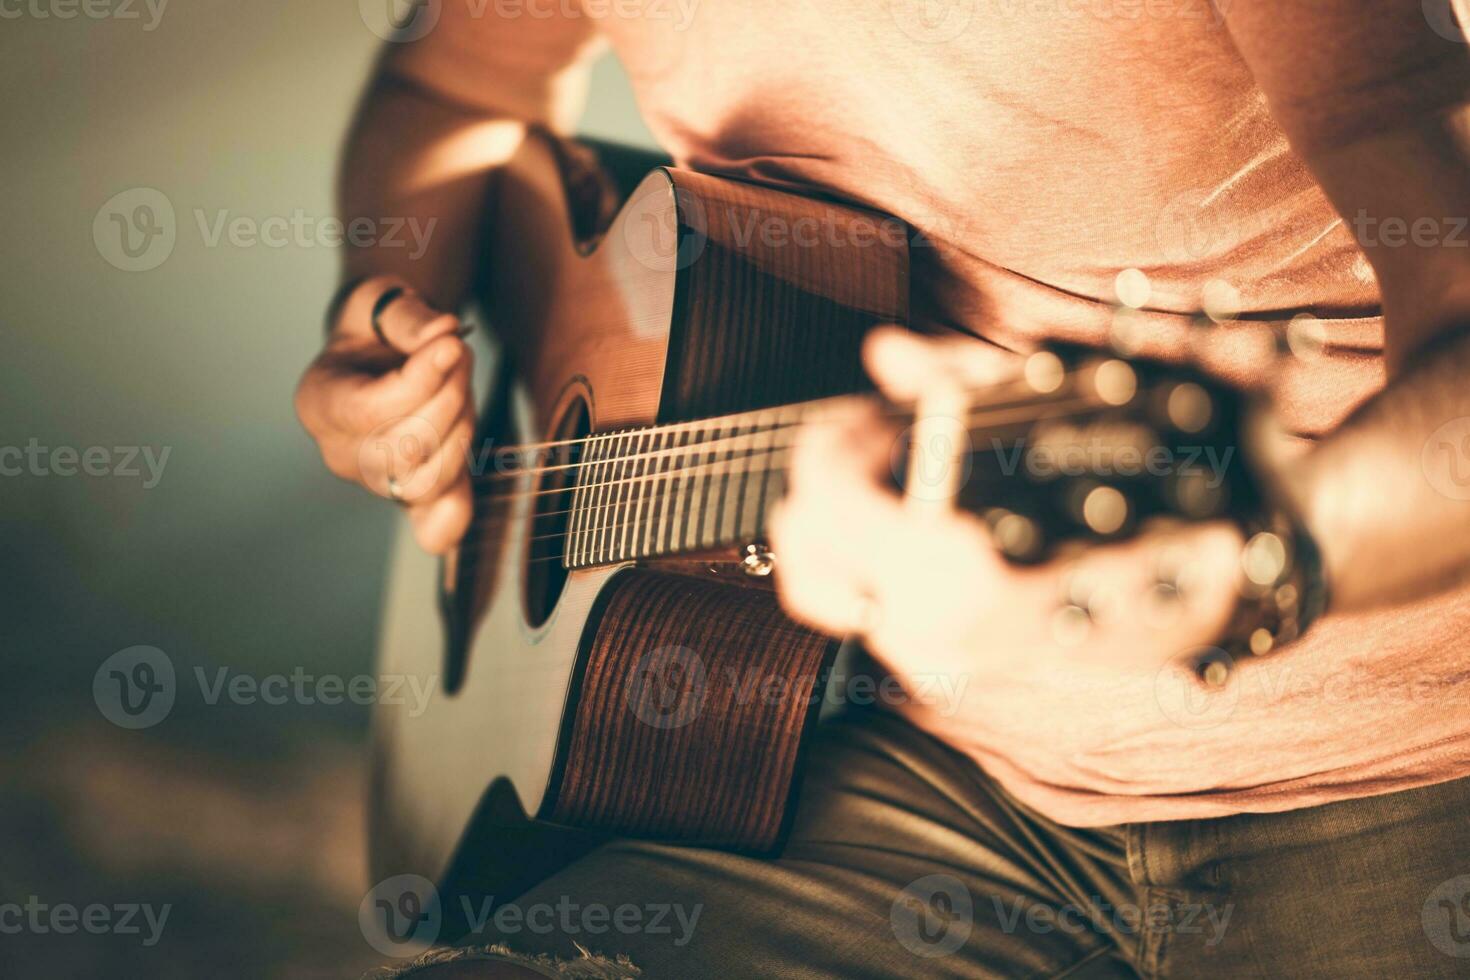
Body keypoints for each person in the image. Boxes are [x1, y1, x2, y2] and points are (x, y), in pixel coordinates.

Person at [298, 2, 1470, 976]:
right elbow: (443, 93)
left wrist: (1250, 556)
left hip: (1394, 780)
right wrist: (380, 311)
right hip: (913, 751)